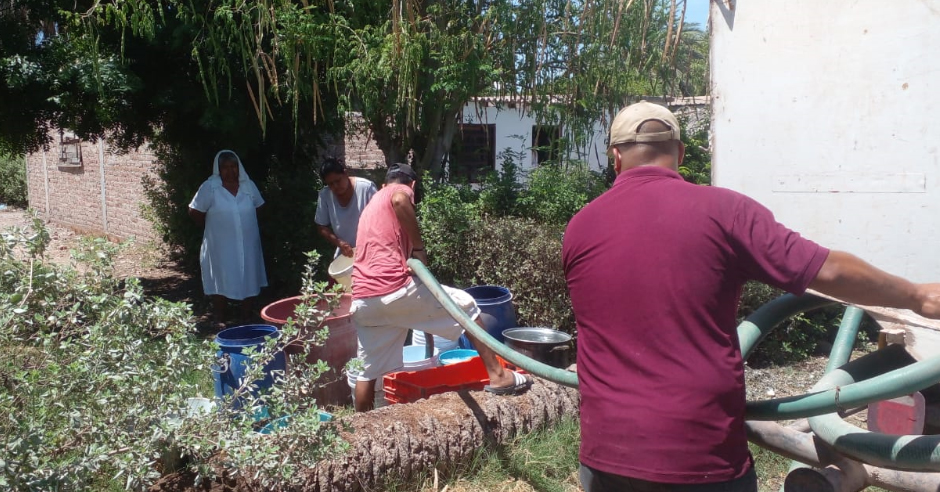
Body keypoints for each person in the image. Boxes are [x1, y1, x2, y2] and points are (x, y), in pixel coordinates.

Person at [562, 101, 940, 492]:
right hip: (699, 459)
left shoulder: (579, 228)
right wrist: (918, 297)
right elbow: (828, 270)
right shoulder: (724, 212)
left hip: (605, 456)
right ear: (679, 152)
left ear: (616, 156)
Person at [349, 163, 532, 412]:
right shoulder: (401, 192)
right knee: (466, 306)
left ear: (383, 183)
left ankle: (363, 432)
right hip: (392, 288)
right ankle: (499, 376)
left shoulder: (370, 206)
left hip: (363, 300)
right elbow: (401, 200)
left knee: (367, 370)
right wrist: (419, 250)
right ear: (412, 184)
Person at [189, 150, 268, 330]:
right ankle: (219, 317)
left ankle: (246, 316)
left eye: (233, 166)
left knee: (248, 273)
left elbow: (260, 207)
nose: (230, 171)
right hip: (220, 244)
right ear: (218, 169)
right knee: (220, 275)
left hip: (247, 242)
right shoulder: (210, 187)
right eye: (225, 167)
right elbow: (194, 211)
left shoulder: (248, 186)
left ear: (239, 168)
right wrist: (214, 229)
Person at [314, 158, 377, 258]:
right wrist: (338, 242)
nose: (335, 186)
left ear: (345, 174)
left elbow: (381, 220)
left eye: (338, 181)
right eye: (330, 184)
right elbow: (321, 226)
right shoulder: (325, 195)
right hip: (346, 253)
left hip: (371, 251)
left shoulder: (366, 188)